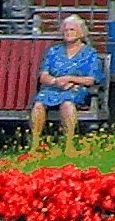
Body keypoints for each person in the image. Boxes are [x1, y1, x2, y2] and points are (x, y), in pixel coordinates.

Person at [29, 13, 104, 147]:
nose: (67, 33)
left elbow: (91, 80)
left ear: (81, 33)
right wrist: (55, 81)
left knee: (67, 103)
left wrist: (70, 79)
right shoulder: (54, 51)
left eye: (71, 30)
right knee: (39, 104)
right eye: (65, 30)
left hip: (76, 90)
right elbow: (44, 75)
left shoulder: (90, 53)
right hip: (54, 88)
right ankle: (35, 145)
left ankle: (68, 145)